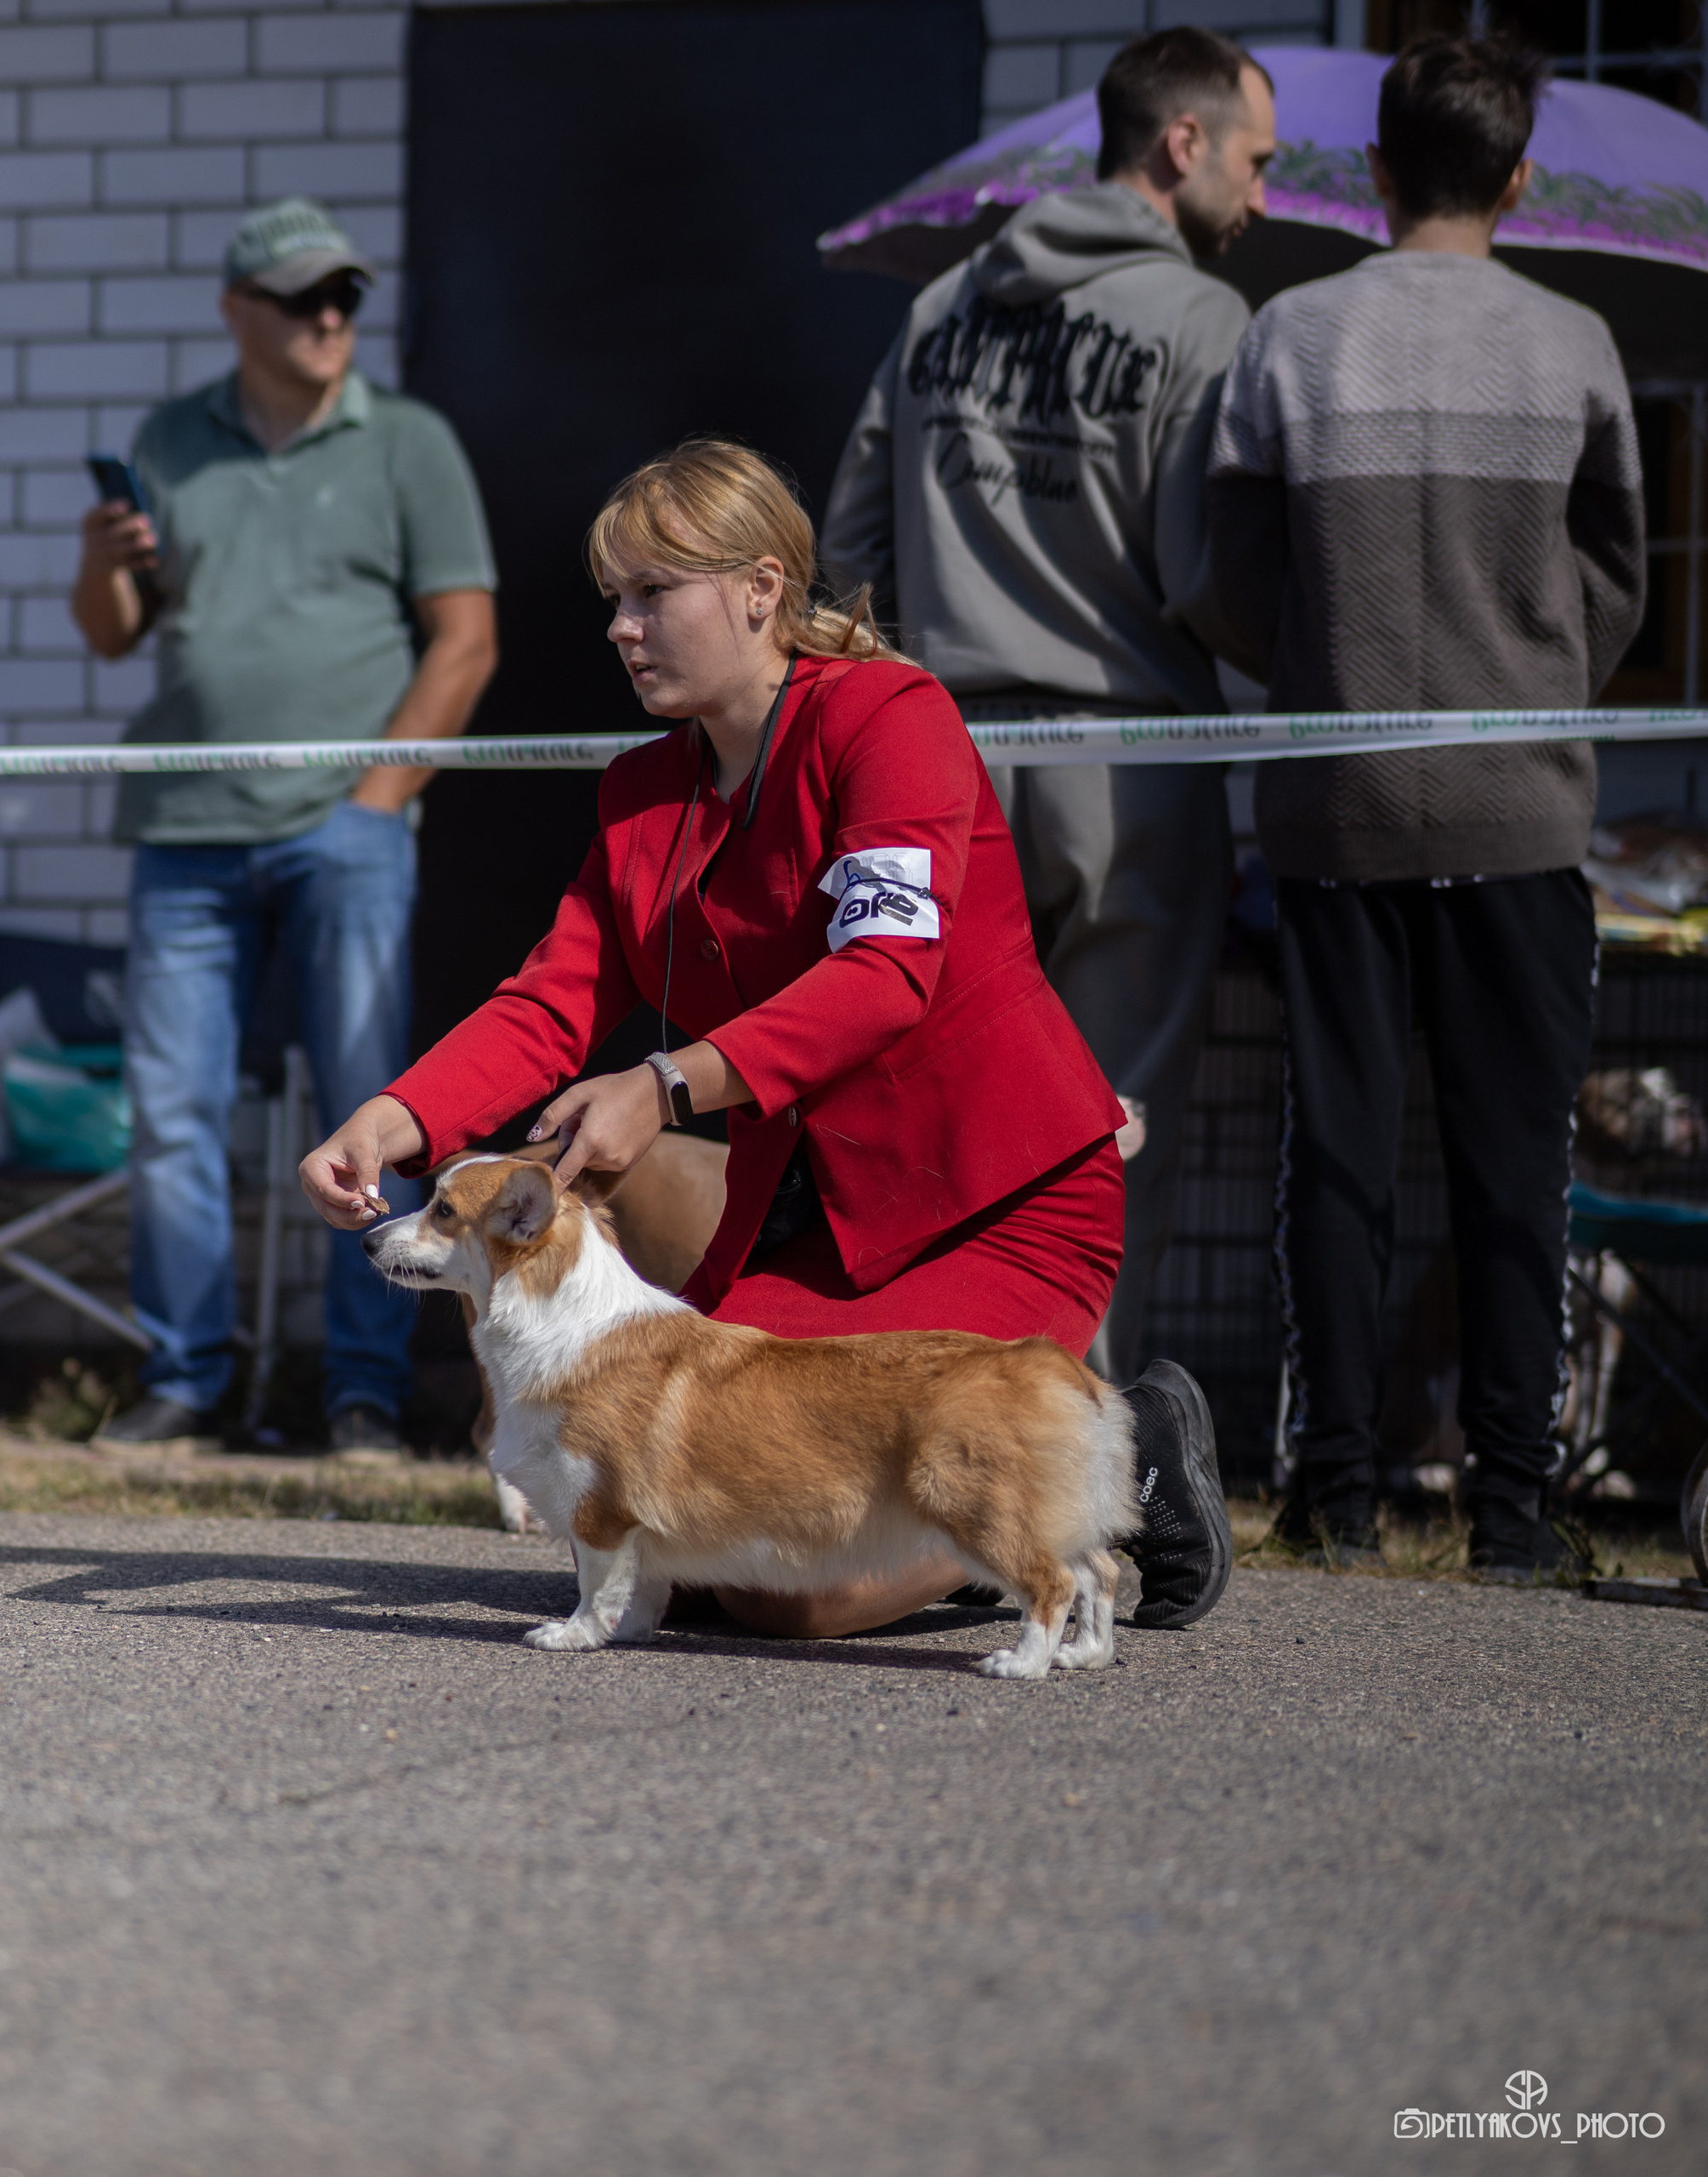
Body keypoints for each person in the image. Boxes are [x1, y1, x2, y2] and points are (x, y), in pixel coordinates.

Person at [300, 439, 1233, 1633]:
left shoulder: (892, 716)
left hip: (997, 1203)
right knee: (696, 1536)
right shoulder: (641, 790)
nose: (621, 628)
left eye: (654, 593)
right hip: (815, 1223)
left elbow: (886, 975)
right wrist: (394, 1120)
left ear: (761, 589)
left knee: (805, 1588)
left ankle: (1121, 1451)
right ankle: (1004, 1498)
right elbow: (550, 998)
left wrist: (662, 1083)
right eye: (615, 599)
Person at [1206, 37, 1647, 1577]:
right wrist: (1532, 674)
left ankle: (1334, 1498)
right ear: (1519, 179)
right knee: (1515, 1160)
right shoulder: (1576, 344)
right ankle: (1513, 1514)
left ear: (1376, 171)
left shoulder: (1289, 336)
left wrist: (1321, 664)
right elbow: (1618, 586)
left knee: (1333, 1149)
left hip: (1334, 806)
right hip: (1521, 808)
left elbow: (1233, 583)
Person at [821, 26, 1276, 1387]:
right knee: (1111, 1122)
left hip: (939, 754)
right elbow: (1205, 578)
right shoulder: (1201, 319)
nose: (1260, 197)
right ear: (1182, 143)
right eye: (1255, 162)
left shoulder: (941, 303)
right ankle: (1072, 1434)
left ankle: (915, 1424)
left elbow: (850, 546)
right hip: (1127, 762)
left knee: (933, 1113)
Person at [71, 197, 498, 1451]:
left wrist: (376, 807)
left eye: (344, 295)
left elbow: (467, 643)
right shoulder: (170, 437)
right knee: (172, 1114)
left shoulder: (409, 440)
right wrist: (102, 559)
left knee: (373, 1111)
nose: (329, 317)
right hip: (185, 827)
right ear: (236, 312)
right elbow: (111, 632)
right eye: (303, 297)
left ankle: (364, 1389)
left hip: (343, 833)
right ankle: (185, 1380)